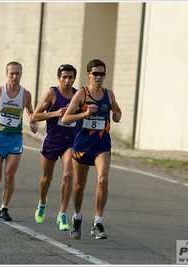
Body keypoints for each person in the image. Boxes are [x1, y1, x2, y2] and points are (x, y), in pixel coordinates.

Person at [61, 59, 122, 240]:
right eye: (95, 73)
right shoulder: (81, 94)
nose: (99, 77)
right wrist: (85, 113)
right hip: (82, 146)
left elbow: (117, 112)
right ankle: (77, 217)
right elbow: (65, 119)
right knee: (80, 186)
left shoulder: (109, 95)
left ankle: (97, 222)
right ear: (88, 75)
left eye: (102, 74)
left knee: (103, 180)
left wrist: (117, 115)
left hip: (101, 145)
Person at [0, 61, 38, 221]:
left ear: (21, 74)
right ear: (6, 74)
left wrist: (32, 123)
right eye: (11, 73)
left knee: (10, 175)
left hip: (15, 139)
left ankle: (4, 208)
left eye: (17, 73)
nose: (14, 76)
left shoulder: (26, 94)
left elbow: (29, 111)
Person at [32, 64, 78, 231]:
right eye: (64, 77)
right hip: (51, 140)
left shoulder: (77, 95)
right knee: (47, 178)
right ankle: (42, 203)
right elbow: (34, 116)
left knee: (68, 175)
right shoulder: (52, 94)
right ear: (58, 78)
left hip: (70, 141)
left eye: (70, 77)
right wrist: (55, 113)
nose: (67, 81)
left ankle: (62, 214)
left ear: (74, 78)